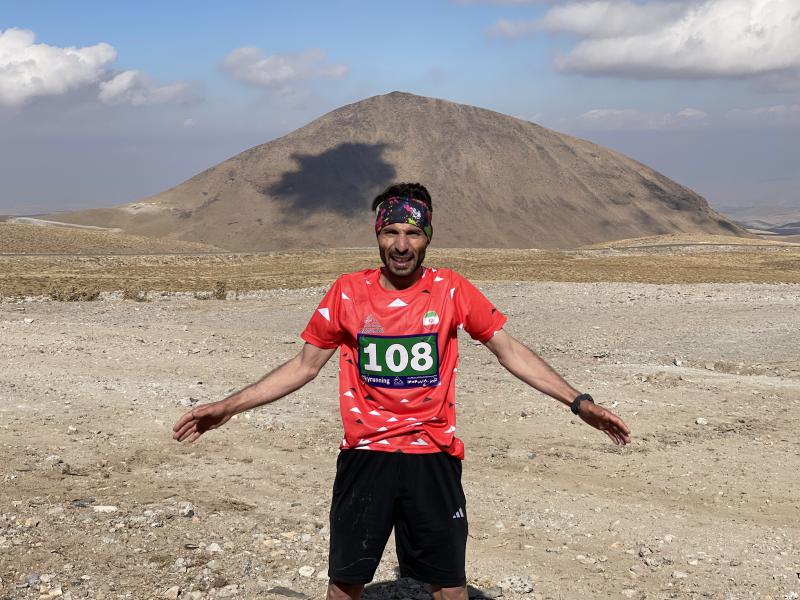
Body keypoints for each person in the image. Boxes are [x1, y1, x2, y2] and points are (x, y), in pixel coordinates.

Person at [172, 182, 631, 600]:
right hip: (365, 456)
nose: (401, 244)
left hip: (432, 457)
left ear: (427, 237)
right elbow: (304, 366)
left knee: (449, 587)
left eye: (412, 233)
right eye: (391, 232)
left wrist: (579, 403)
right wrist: (228, 407)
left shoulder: (451, 290)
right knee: (345, 584)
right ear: (378, 235)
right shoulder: (347, 293)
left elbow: (508, 350)